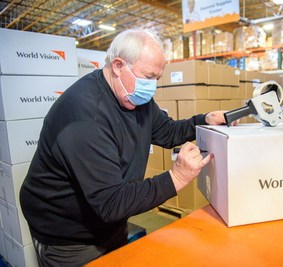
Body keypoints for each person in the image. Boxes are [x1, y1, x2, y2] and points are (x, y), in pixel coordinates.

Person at [19, 29, 236, 266]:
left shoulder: (133, 95)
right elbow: (111, 203)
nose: (151, 86)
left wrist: (203, 121)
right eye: (147, 77)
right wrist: (176, 177)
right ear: (118, 66)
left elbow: (166, 131)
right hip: (69, 234)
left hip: (110, 220)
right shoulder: (86, 117)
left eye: (156, 78)